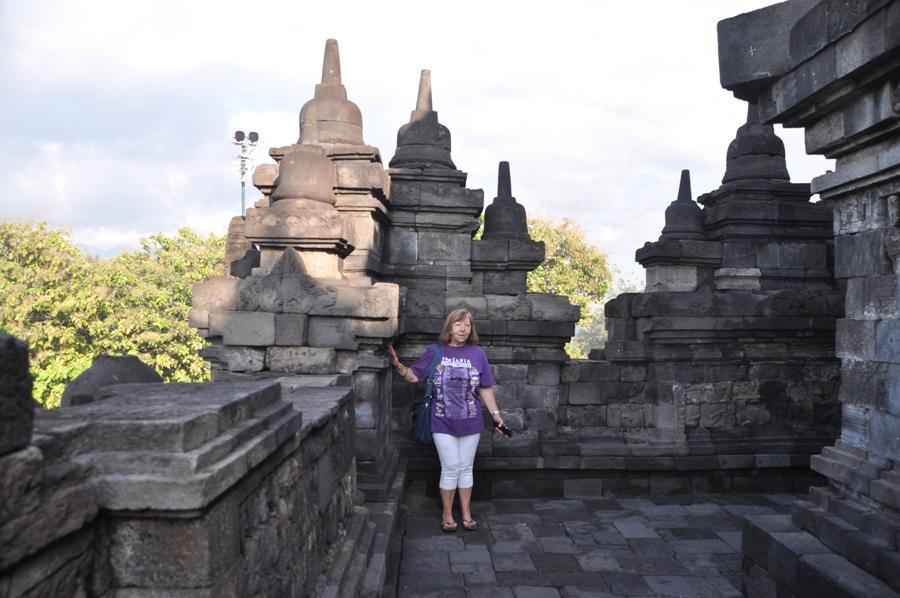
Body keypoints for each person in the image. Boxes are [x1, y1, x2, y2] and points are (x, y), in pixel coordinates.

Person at [387, 309, 505, 532]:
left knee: (466, 467)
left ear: (471, 329)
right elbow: (415, 375)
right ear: (450, 328)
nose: (463, 329)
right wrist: (398, 366)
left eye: (467, 325)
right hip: (442, 421)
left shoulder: (478, 353)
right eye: (458, 324)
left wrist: (496, 416)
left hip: (471, 421)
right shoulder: (436, 351)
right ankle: (447, 513)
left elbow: (485, 387)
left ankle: (467, 512)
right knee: (451, 467)